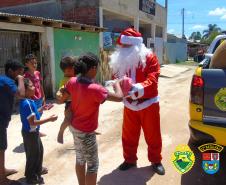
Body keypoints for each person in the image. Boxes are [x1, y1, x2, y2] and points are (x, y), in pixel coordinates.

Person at [58, 52, 123, 185]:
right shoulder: (96, 89)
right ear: (93, 68)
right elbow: (119, 97)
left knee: (80, 159)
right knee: (92, 165)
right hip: (87, 132)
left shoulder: (72, 81)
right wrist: (117, 85)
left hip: (74, 127)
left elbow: (63, 96)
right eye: (97, 67)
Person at [109, 27, 165, 175]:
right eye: (122, 45)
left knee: (153, 134)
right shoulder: (120, 59)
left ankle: (156, 160)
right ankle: (129, 159)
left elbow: (153, 78)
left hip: (149, 103)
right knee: (128, 134)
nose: (122, 48)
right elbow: (115, 77)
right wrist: (116, 85)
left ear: (135, 45)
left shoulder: (150, 58)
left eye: (126, 45)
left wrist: (136, 88)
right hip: (129, 104)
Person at [19, 78, 58, 184]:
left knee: (38, 152)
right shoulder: (28, 104)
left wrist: (42, 108)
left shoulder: (27, 101)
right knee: (33, 155)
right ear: (25, 90)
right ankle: (31, 177)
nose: (34, 87)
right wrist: (49, 119)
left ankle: (37, 171)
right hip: (31, 133)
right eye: (31, 86)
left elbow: (32, 115)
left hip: (30, 133)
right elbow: (33, 122)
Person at [0, 59, 25, 185]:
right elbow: (21, 93)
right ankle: (2, 179)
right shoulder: (8, 81)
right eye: (18, 73)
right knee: (1, 148)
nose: (19, 75)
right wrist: (20, 80)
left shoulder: (3, 80)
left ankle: (2, 170)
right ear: (10, 71)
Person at [24, 54, 46, 137]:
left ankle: (37, 131)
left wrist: (44, 96)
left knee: (39, 114)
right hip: (32, 100)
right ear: (26, 64)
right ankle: (34, 132)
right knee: (33, 116)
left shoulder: (37, 73)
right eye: (32, 63)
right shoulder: (25, 76)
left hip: (39, 98)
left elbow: (40, 85)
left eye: (35, 63)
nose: (34, 65)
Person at [56, 56, 76, 144]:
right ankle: (61, 133)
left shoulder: (75, 77)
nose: (72, 71)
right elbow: (60, 90)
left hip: (78, 102)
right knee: (67, 120)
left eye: (73, 69)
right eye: (69, 70)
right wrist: (59, 94)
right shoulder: (65, 80)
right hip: (69, 103)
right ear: (64, 71)